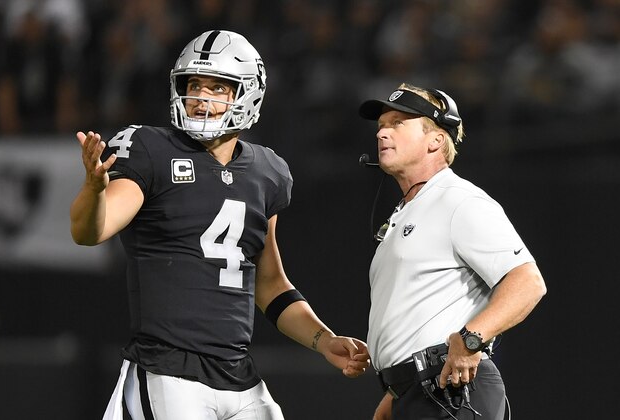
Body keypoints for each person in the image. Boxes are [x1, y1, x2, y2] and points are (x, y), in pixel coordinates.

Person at [70, 30, 370, 420]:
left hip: (239, 374)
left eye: (217, 87)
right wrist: (94, 189)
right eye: (193, 84)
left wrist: (323, 340)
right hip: (168, 369)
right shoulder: (150, 150)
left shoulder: (267, 171)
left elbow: (270, 283)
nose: (200, 98)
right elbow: (91, 231)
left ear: (247, 95)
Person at [357, 84, 547, 420]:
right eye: (381, 126)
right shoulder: (410, 210)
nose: (383, 132)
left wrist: (471, 339)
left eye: (399, 122)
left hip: (452, 393)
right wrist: (397, 389)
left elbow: (528, 281)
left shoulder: (459, 200)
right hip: (416, 394)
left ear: (435, 140)